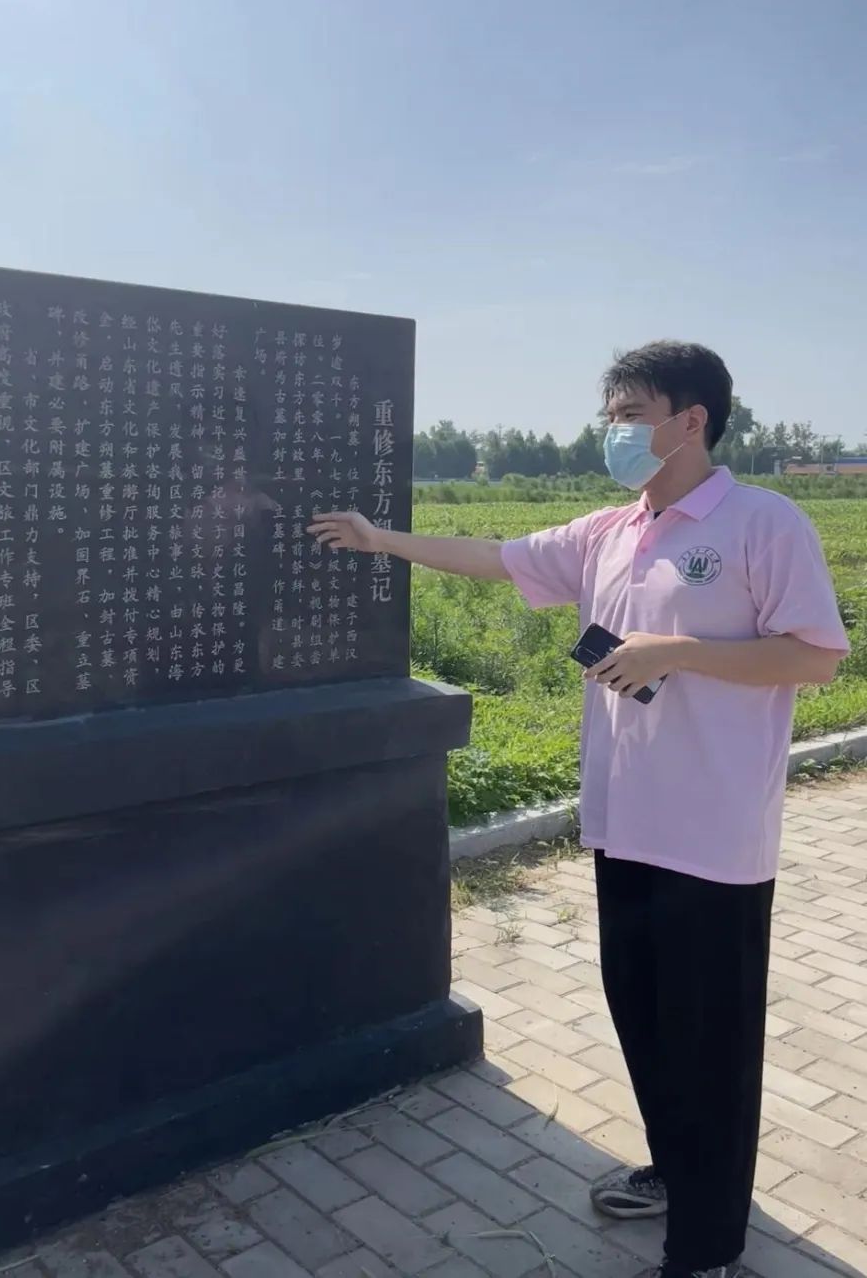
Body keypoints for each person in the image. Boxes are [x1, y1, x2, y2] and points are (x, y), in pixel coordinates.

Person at [309, 341, 850, 1278]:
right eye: (610, 416)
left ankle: (707, 1249)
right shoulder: (610, 530)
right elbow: (495, 557)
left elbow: (817, 656)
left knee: (710, 1042)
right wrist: (380, 537)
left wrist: (676, 651)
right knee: (642, 1014)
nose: (615, 432)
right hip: (622, 822)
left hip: (714, 837)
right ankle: (678, 1169)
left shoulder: (763, 522)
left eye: (631, 414)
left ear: (692, 420)